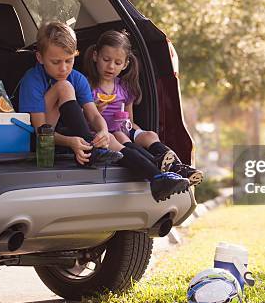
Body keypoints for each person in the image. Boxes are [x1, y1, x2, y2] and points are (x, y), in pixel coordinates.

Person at [19, 21, 188, 201]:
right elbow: (40, 132)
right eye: (56, 62)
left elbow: (93, 115)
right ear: (40, 58)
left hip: (72, 139)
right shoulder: (33, 80)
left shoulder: (78, 78)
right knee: (64, 87)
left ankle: (156, 178)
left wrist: (103, 131)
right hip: (42, 142)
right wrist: (71, 142)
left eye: (69, 61)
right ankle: (93, 148)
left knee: (113, 140)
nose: (63, 68)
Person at [83, 29, 204, 186]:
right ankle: (158, 165)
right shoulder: (86, 86)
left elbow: (130, 121)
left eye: (117, 63)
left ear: (125, 64)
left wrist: (139, 132)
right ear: (95, 56)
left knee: (150, 135)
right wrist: (95, 111)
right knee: (118, 137)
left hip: (121, 130)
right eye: (106, 59)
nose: (111, 66)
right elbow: (79, 120)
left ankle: (178, 167)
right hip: (101, 134)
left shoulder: (125, 88)